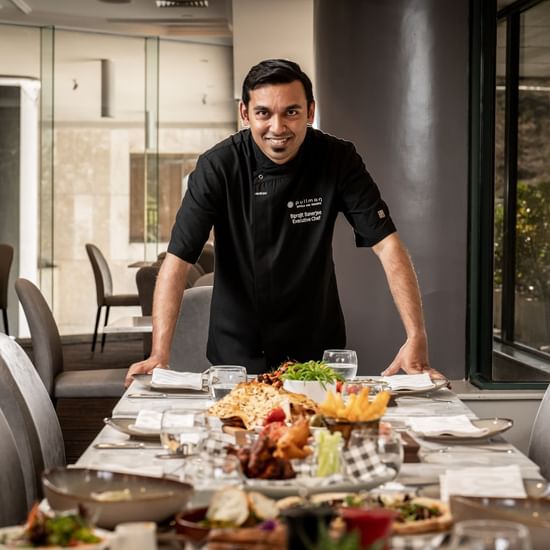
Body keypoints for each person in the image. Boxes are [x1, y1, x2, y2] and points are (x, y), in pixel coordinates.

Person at [125, 58, 443, 386]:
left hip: (315, 350)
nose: (278, 127)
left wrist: (416, 334)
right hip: (238, 353)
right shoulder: (218, 167)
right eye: (264, 113)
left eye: (291, 112)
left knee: (318, 436)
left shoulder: (338, 160)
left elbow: (388, 245)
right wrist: (160, 354)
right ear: (245, 114)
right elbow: (177, 261)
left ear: (310, 111)